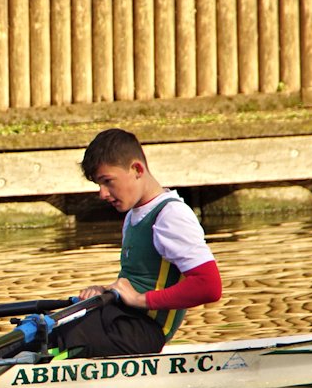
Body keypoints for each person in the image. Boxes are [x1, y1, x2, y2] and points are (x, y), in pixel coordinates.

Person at [48, 128, 222, 358]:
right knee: (47, 328)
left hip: (144, 331)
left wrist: (140, 300)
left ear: (137, 169)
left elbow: (209, 286)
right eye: (98, 184)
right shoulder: (133, 215)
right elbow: (139, 280)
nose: (102, 194)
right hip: (124, 318)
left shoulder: (171, 215)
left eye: (107, 181)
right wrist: (108, 289)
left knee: (66, 338)